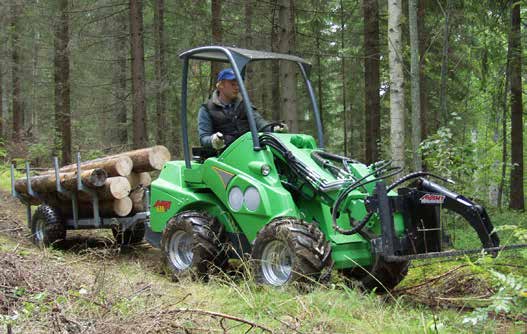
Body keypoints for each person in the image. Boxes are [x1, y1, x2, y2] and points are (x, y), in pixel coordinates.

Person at [198, 68, 287, 150]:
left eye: (238, 84)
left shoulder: (245, 105)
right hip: (223, 157)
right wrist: (214, 140)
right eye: (232, 84)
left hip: (249, 151)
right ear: (220, 85)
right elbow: (204, 138)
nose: (237, 87)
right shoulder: (207, 109)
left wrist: (273, 129)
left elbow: (259, 123)